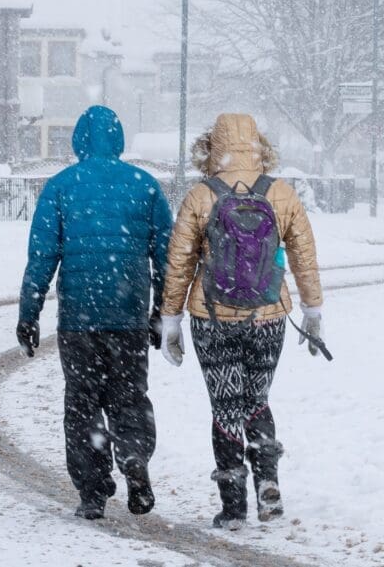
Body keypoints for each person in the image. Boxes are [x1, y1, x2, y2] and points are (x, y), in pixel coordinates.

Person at [158, 113, 324, 530]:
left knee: (225, 407)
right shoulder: (281, 193)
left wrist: (170, 319)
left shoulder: (200, 195)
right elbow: (304, 255)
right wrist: (313, 309)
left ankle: (233, 506)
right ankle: (268, 485)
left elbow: (179, 263)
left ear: (211, 147)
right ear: (259, 145)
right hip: (268, 317)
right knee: (257, 400)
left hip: (211, 318)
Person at [16, 105, 173, 520]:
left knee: (82, 403)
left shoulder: (61, 187)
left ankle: (92, 489)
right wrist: (161, 311)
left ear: (79, 141)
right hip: (129, 315)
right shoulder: (145, 186)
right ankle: (134, 456)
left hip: (79, 319)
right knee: (129, 398)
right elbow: (167, 258)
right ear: (119, 139)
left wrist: (28, 313)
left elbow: (42, 257)